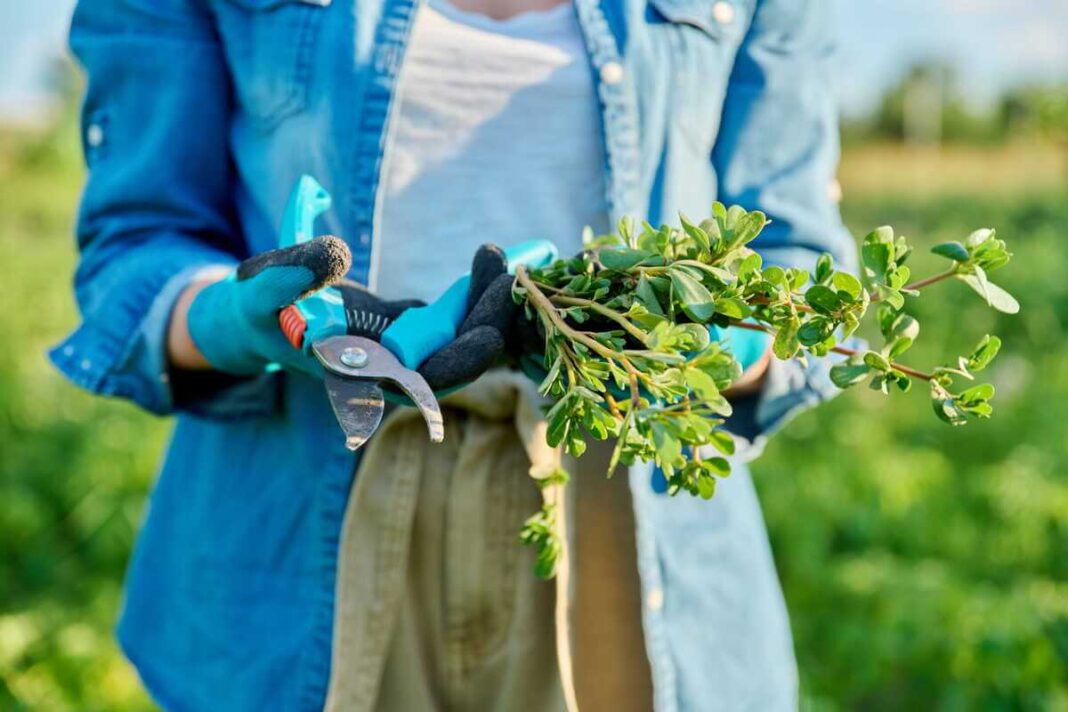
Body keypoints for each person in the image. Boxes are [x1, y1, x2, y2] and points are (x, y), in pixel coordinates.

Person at [53, 0, 857, 709]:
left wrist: (716, 342)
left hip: (622, 512)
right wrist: (235, 317)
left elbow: (800, 263)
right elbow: (139, 239)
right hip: (300, 518)